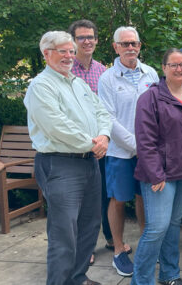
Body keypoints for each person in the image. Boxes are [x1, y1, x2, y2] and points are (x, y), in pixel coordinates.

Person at [25, 31, 111, 285]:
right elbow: (56, 126)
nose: (69, 56)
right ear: (46, 54)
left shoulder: (78, 83)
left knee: (89, 225)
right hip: (60, 164)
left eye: (71, 51)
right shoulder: (40, 86)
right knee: (64, 233)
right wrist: (92, 144)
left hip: (88, 162)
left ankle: (77, 278)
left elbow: (102, 112)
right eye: (62, 51)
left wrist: (104, 136)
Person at [131, 48, 182, 285]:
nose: (178, 68)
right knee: (156, 228)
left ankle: (169, 275)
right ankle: (141, 281)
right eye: (172, 64)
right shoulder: (150, 98)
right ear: (163, 69)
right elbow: (145, 140)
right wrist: (155, 174)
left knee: (173, 224)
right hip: (160, 173)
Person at [98, 26, 159, 276]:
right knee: (119, 199)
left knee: (145, 197)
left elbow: (158, 111)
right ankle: (118, 251)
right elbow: (108, 118)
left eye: (134, 43)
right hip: (120, 152)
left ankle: (145, 248)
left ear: (140, 45)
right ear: (115, 47)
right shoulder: (107, 78)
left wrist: (150, 146)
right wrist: (136, 145)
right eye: (125, 44)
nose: (130, 48)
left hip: (148, 151)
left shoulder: (151, 74)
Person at [68, 19, 111, 264]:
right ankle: (85, 248)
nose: (87, 41)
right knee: (78, 200)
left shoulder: (102, 70)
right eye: (81, 37)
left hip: (101, 145)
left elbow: (105, 109)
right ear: (73, 41)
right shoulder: (65, 70)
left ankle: (108, 238)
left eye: (90, 37)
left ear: (96, 40)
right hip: (75, 147)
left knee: (101, 197)